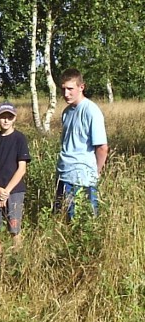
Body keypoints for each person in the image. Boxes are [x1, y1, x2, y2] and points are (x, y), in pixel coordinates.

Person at [55, 68, 108, 219]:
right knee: (63, 217)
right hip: (63, 173)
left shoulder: (91, 111)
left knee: (84, 219)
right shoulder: (66, 112)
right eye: (63, 89)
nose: (66, 94)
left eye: (70, 89)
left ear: (81, 87)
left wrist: (95, 172)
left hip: (82, 176)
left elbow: (102, 147)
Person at [0, 101, 31, 262]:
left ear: (14, 118)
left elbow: (21, 169)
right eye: (3, 117)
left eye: (9, 117)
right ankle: (0, 259)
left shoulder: (19, 138)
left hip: (14, 191)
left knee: (14, 230)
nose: (6, 120)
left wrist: (6, 191)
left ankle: (17, 263)